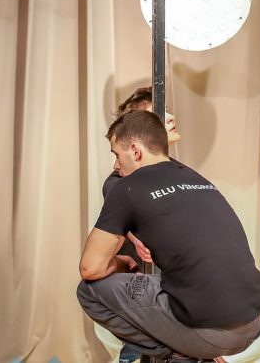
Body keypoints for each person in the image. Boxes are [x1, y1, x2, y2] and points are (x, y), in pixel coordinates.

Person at [77, 110, 260, 363]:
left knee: (88, 291)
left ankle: (182, 355)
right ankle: (196, 350)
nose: (115, 165)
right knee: (170, 280)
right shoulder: (195, 178)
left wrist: (122, 262)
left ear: (135, 151)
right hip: (257, 318)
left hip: (214, 333)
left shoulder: (127, 187)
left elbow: (90, 268)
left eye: (116, 154)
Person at [98, 87, 183, 363]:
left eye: (167, 110)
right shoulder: (118, 181)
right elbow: (131, 220)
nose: (170, 117)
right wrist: (137, 238)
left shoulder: (175, 173)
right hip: (142, 290)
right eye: (160, 114)